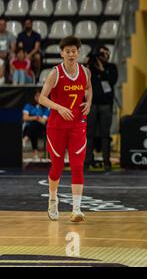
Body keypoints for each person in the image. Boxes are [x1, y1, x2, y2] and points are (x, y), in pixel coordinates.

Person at [39, 35, 92, 223]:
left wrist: (89, 102)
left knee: (78, 165)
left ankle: (76, 209)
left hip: (77, 124)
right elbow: (41, 98)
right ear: (62, 53)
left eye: (74, 51)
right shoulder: (55, 73)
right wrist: (59, 108)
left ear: (78, 52)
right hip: (57, 126)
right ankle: (53, 198)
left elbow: (88, 89)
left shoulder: (85, 72)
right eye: (67, 51)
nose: (71, 54)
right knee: (58, 166)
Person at [84, 46, 118, 172]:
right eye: (100, 54)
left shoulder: (111, 68)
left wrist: (102, 70)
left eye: (104, 54)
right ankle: (87, 161)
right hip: (92, 105)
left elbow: (112, 81)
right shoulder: (90, 68)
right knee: (89, 134)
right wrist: (89, 62)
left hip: (106, 105)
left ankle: (106, 161)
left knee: (105, 134)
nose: (101, 57)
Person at [23, 89, 50, 161]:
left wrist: (32, 117)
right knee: (33, 128)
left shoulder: (46, 107)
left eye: (40, 96)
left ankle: (26, 139)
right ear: (34, 97)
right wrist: (36, 117)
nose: (38, 97)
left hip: (42, 128)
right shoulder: (28, 105)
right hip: (30, 128)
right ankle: (35, 154)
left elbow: (43, 121)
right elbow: (25, 118)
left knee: (34, 125)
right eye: (37, 96)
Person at [0, 18, 16, 85]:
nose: (2, 26)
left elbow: (13, 48)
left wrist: (7, 53)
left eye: (3, 25)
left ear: (6, 26)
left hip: (7, 54)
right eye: (0, 25)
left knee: (13, 56)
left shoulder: (10, 35)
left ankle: (12, 79)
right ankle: (1, 79)